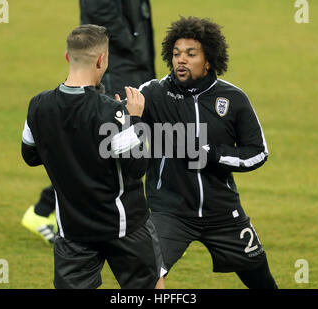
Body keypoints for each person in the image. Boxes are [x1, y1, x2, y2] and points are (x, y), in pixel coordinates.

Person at [139, 16, 277, 289]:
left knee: (262, 282)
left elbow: (257, 152)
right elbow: (118, 124)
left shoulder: (234, 99)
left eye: (191, 54)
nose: (181, 60)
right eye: (177, 53)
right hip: (169, 212)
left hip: (223, 213)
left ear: (209, 60)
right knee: (147, 275)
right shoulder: (153, 94)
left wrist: (212, 153)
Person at [21, 24, 163, 289]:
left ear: (67, 56)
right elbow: (137, 168)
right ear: (102, 59)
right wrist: (134, 120)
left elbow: (30, 155)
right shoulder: (112, 113)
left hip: (73, 231)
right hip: (124, 228)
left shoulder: (38, 105)